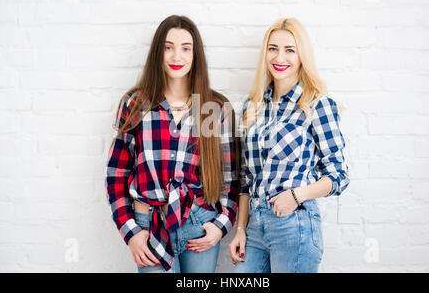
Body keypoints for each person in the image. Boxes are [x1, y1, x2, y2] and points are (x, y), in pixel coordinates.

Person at [106, 15, 239, 273]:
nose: (176, 56)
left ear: (195, 54)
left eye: (185, 48)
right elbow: (117, 174)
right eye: (168, 47)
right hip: (149, 224)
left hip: (199, 224)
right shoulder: (136, 104)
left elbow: (230, 179)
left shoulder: (214, 108)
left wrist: (220, 225)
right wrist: (131, 231)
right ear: (158, 52)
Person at [228, 17, 349, 273]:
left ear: (302, 55)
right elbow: (246, 180)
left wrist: (296, 195)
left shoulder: (317, 106)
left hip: (294, 225)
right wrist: (240, 229)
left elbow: (339, 175)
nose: (279, 57)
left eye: (289, 50)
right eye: (273, 48)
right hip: (254, 228)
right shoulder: (253, 107)